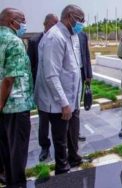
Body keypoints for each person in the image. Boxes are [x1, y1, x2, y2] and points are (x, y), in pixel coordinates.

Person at [34, 4, 86, 175]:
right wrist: (64, 103)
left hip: (72, 99)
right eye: (80, 20)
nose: (82, 24)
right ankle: (62, 171)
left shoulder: (73, 35)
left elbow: (73, 67)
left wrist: (75, 100)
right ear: (69, 16)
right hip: (57, 102)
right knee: (60, 140)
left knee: (71, 136)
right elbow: (51, 75)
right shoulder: (54, 37)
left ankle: (74, 158)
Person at [0, 8, 35, 187]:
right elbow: (8, 79)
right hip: (16, 105)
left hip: (5, 108)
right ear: (12, 21)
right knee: (18, 152)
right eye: (22, 20)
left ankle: (8, 179)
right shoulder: (14, 41)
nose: (24, 23)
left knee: (6, 150)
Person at [27, 13, 58, 162]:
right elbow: (30, 66)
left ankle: (61, 145)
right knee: (43, 121)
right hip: (42, 88)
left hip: (57, 87)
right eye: (53, 24)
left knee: (58, 120)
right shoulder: (34, 41)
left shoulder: (59, 39)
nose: (55, 27)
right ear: (45, 24)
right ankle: (44, 147)